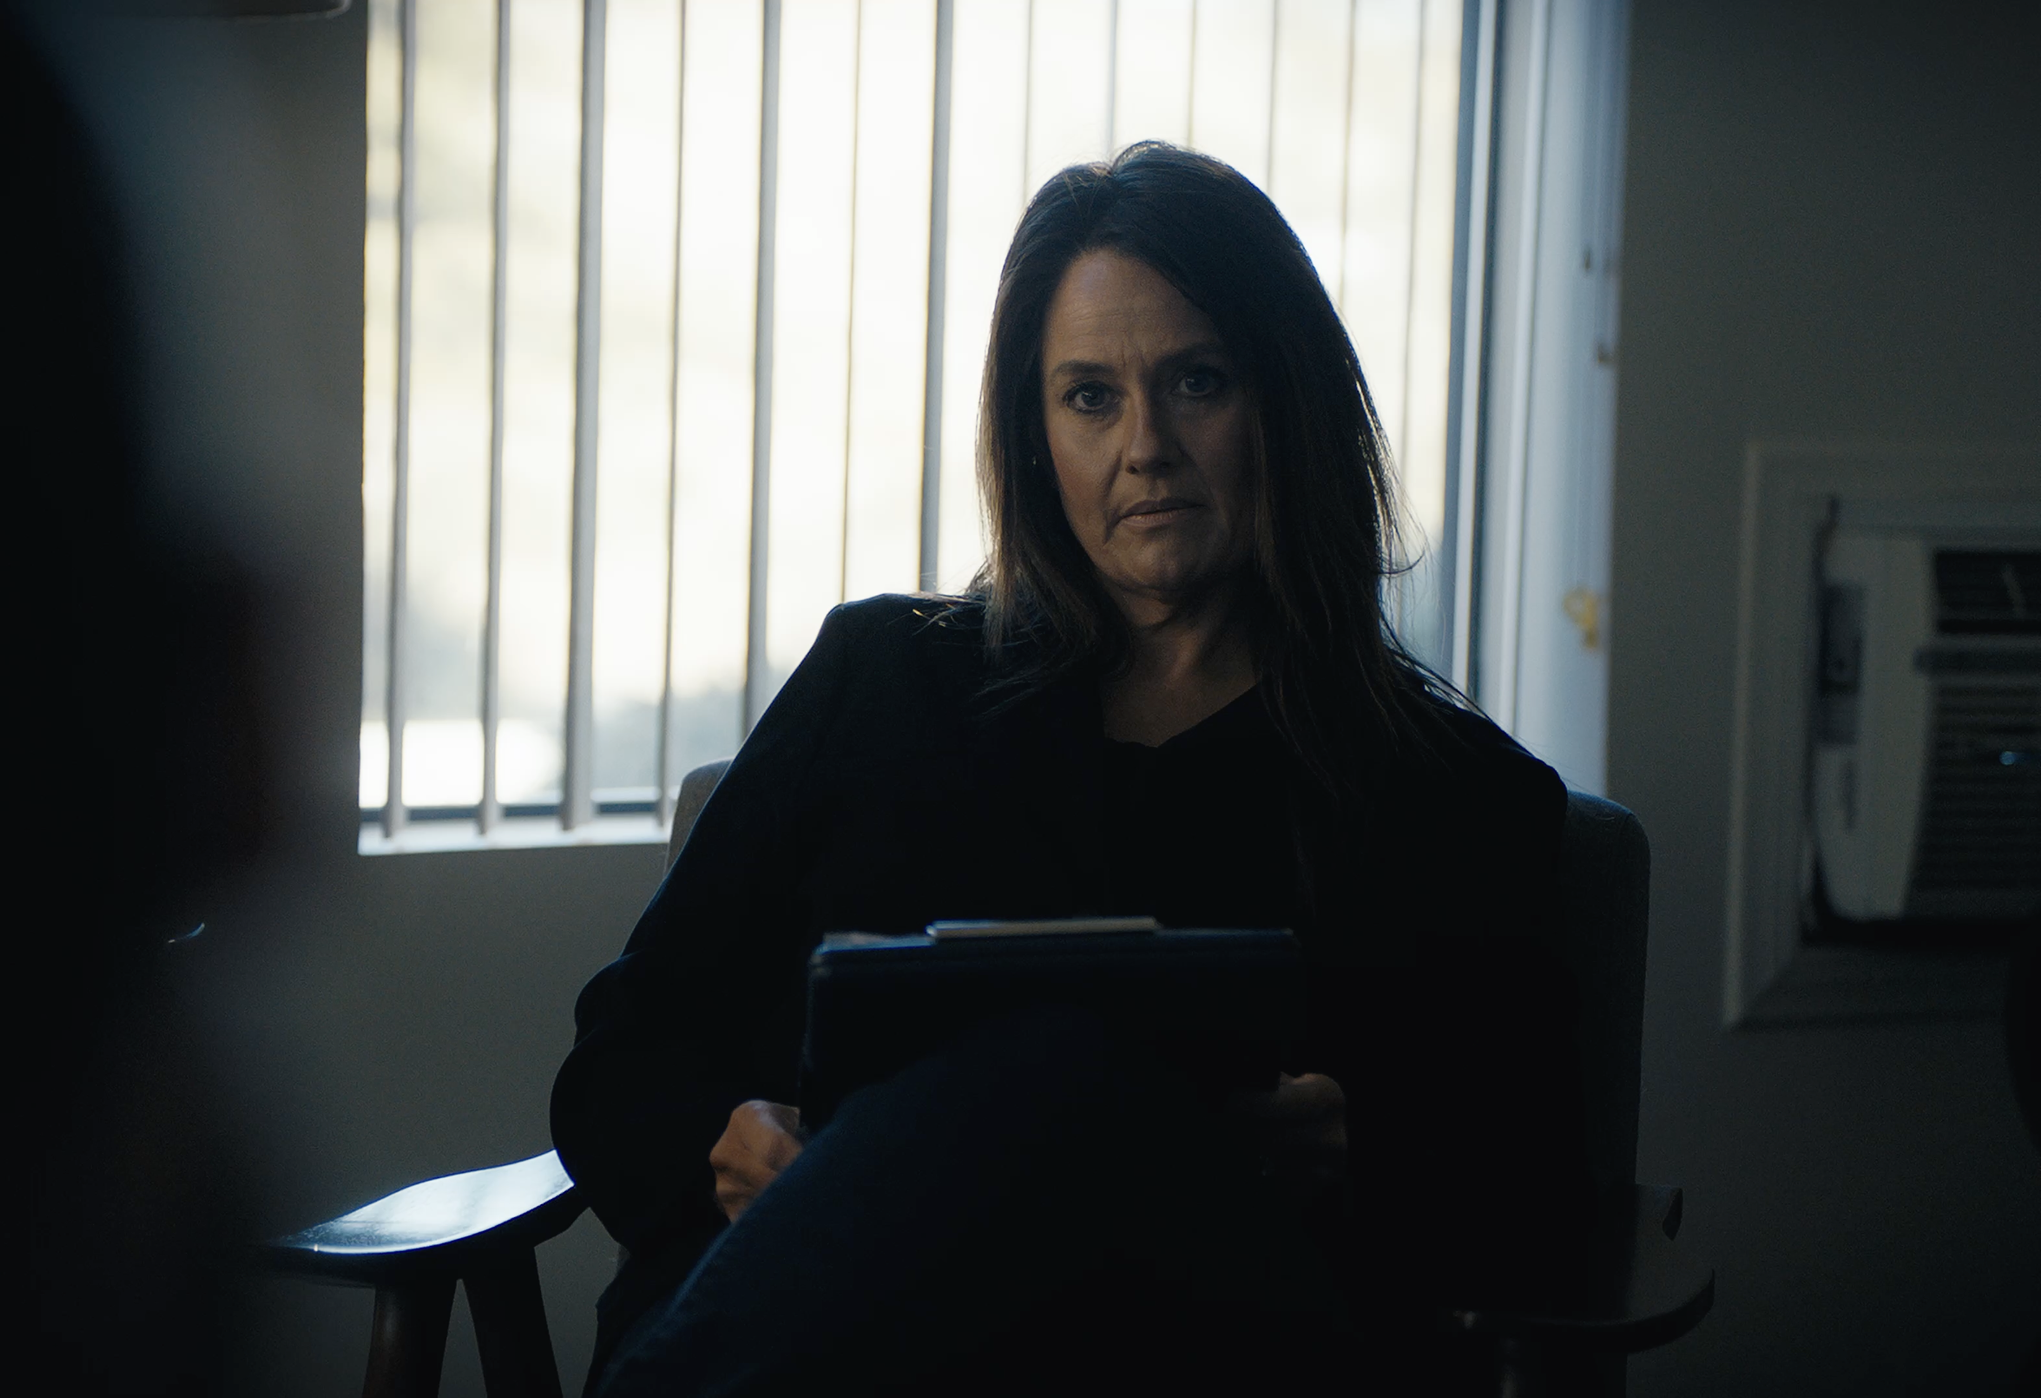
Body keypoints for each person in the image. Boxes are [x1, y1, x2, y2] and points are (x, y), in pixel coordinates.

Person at [550, 142, 1591, 1397]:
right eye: (1089, 397)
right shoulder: (880, 677)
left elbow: (1549, 1204)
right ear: (1036, 437)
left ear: (1287, 403)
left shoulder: (1452, 798)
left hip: (1201, 1345)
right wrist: (725, 1141)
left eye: (1196, 381)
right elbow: (621, 1061)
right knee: (1043, 1074)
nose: (1145, 445)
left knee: (1068, 1075)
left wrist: (1355, 1151)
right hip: (819, 1337)